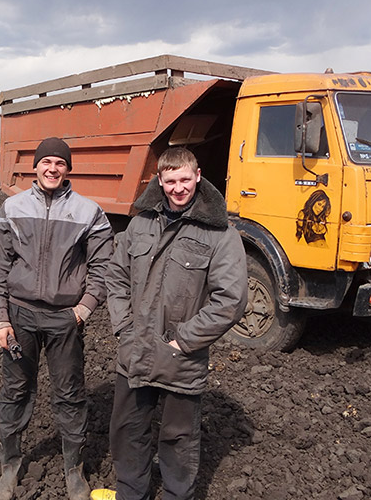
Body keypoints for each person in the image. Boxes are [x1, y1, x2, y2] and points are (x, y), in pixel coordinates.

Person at [98, 147, 247, 500]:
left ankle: (177, 496)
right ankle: (130, 493)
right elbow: (115, 277)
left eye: (185, 179)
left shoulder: (220, 234)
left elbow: (231, 300)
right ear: (160, 181)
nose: (178, 188)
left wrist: (184, 340)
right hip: (134, 348)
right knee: (127, 429)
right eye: (170, 181)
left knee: (178, 436)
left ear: (198, 176)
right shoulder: (140, 224)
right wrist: (123, 327)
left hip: (181, 356)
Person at [0, 137, 113, 500]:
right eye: (47, 162)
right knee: (15, 391)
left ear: (68, 169)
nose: (53, 168)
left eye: (60, 162)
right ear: (36, 167)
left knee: (70, 394)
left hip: (64, 320)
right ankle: (9, 464)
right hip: (19, 317)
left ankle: (74, 469)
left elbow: (103, 267)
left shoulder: (89, 212)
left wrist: (83, 309)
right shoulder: (12, 208)